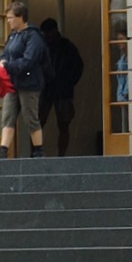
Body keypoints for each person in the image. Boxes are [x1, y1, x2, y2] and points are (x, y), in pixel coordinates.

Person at [0, 2, 49, 159]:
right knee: (8, 115)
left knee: (31, 116)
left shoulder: (34, 36)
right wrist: (2, 61)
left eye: (11, 18)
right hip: (13, 82)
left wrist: (9, 66)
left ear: (20, 17)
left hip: (29, 83)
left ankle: (38, 150)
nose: (8, 21)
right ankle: (3, 149)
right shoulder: (12, 36)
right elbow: (6, 53)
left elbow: (29, 60)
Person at [38, 18, 85, 158]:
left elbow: (78, 67)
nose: (47, 36)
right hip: (51, 89)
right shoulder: (65, 46)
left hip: (55, 89)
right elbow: (79, 67)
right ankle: (54, 154)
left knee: (56, 124)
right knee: (47, 123)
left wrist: (68, 82)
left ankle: (47, 153)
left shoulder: (63, 47)